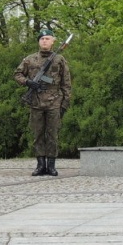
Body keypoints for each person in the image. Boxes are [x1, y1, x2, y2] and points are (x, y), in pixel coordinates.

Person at [14, 29, 71, 177]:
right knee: (38, 134)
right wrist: (28, 82)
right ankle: (40, 165)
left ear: (53, 41)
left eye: (47, 38)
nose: (44, 41)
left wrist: (65, 103)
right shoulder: (30, 59)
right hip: (36, 101)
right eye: (42, 39)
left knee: (52, 135)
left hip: (54, 102)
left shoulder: (59, 59)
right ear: (39, 41)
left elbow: (66, 84)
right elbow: (17, 74)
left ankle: (51, 165)